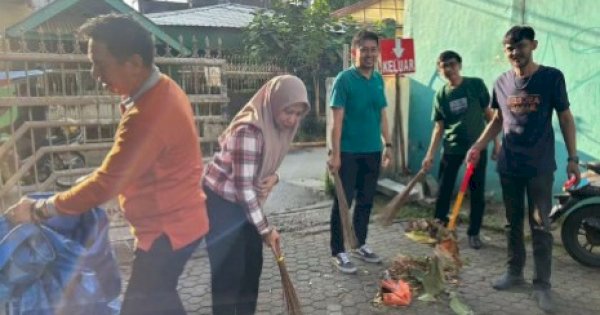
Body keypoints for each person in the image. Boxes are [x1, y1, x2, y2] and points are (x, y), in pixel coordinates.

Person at [4, 14, 208, 315]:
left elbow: (106, 184)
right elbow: (128, 168)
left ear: (134, 63)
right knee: (160, 298)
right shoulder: (163, 88)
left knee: (141, 306)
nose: (94, 73)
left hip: (167, 233)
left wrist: (39, 209)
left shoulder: (149, 115)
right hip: (181, 223)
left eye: (100, 63)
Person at [467, 25, 579, 313]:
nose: (515, 52)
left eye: (521, 46)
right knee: (512, 223)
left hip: (539, 166)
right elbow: (497, 120)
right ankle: (514, 273)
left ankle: (542, 285)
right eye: (510, 48)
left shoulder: (551, 78)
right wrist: (479, 145)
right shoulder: (501, 82)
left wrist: (573, 158)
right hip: (509, 165)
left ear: (534, 45)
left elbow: (566, 118)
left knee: (540, 226)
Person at [203, 75, 310, 315]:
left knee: (252, 267)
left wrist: (276, 178)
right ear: (274, 103)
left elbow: (266, 167)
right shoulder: (249, 131)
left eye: (298, 114)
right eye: (288, 111)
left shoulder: (279, 128)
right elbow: (243, 189)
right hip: (221, 203)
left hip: (244, 203)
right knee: (228, 275)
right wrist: (265, 229)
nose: (292, 119)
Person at [328, 30, 393, 274]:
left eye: (373, 49)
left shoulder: (378, 80)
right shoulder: (344, 80)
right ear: (354, 51)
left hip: (372, 151)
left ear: (378, 52)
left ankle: (359, 243)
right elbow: (337, 121)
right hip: (348, 152)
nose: (369, 54)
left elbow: (382, 115)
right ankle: (338, 250)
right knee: (343, 202)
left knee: (366, 201)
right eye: (363, 49)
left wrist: (388, 145)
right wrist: (335, 155)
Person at [422, 50, 499, 249]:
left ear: (460, 65)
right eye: (444, 66)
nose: (449, 69)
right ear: (440, 70)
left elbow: (489, 115)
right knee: (444, 191)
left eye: (452, 64)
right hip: (451, 149)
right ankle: (439, 229)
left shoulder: (475, 85)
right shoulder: (441, 95)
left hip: (476, 149)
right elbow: (439, 127)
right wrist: (430, 154)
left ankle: (474, 233)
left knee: (476, 192)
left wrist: (496, 143)